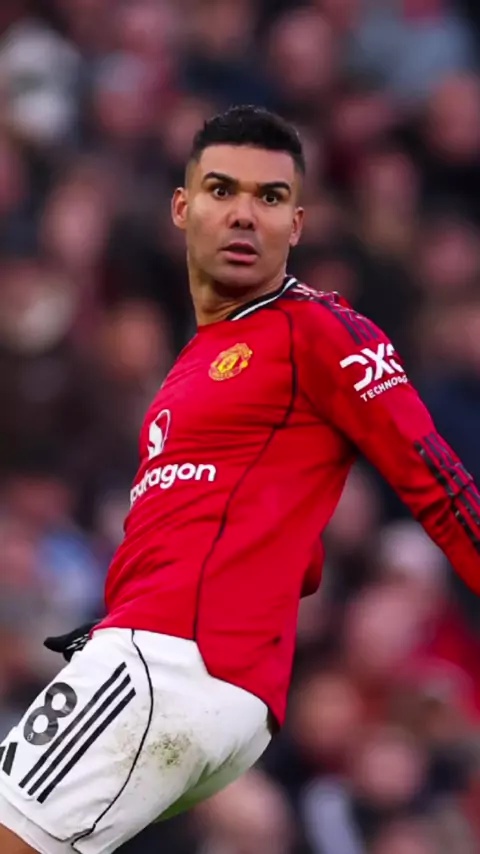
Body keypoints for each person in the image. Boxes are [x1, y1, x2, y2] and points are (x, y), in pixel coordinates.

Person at [1, 105, 480, 854]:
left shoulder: (321, 330)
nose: (245, 215)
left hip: (175, 659)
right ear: (182, 208)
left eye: (271, 197)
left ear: (297, 224)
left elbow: (442, 486)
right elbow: (278, 535)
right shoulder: (194, 362)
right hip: (183, 669)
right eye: (222, 190)